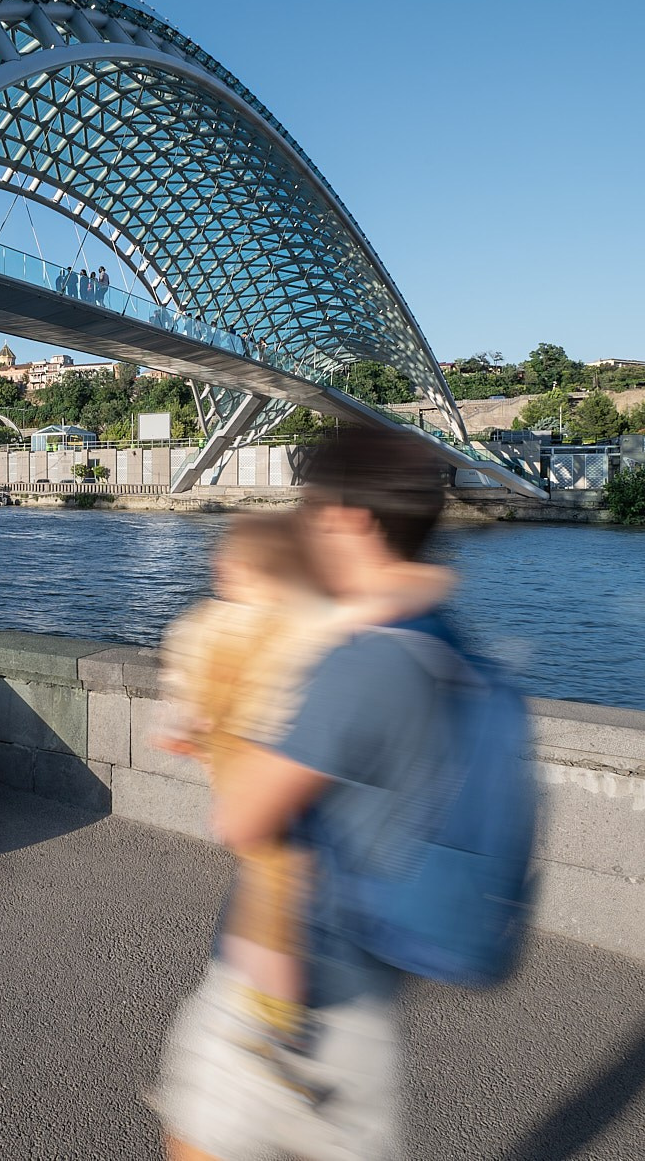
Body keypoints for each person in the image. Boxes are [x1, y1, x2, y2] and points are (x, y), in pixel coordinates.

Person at [155, 426, 461, 1161]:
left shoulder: (357, 663)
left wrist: (215, 749)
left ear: (348, 520)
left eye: (312, 506)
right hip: (376, 967)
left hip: (296, 963)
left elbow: (244, 816)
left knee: (201, 1134)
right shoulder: (435, 635)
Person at [153, 514, 335, 1092]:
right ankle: (286, 1026)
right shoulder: (301, 625)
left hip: (232, 784)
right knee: (286, 884)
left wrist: (193, 735)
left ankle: (267, 1011)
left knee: (265, 882)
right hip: (283, 780)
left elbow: (178, 721)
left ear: (235, 569)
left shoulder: (198, 627)